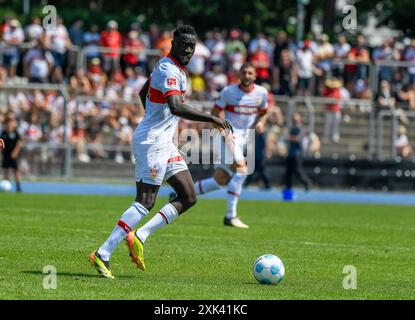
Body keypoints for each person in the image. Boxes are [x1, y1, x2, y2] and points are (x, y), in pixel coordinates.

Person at [89, 25, 233, 279]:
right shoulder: (168, 68)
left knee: (188, 195)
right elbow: (176, 106)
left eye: (192, 46)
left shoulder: (175, 69)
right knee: (145, 201)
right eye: (183, 44)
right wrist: (212, 119)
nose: (188, 49)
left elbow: (143, 92)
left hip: (162, 142)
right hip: (153, 143)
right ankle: (103, 253)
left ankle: (140, 236)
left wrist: (155, 119)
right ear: (173, 43)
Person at [178, 63, 269, 229]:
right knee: (242, 170)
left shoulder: (261, 93)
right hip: (229, 136)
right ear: (239, 74)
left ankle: (180, 194)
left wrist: (261, 122)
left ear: (255, 76)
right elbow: (215, 114)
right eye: (244, 72)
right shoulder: (229, 92)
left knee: (218, 180)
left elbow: (264, 112)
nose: (247, 75)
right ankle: (230, 216)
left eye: (250, 73)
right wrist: (224, 132)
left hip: (244, 138)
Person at [284, 112, 312, 193]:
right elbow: (287, 138)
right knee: (288, 172)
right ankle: (288, 187)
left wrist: (289, 137)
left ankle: (307, 183)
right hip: (290, 153)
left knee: (298, 171)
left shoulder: (302, 129)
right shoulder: (291, 129)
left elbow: (298, 139)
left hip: (298, 154)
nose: (295, 119)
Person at [0, 118, 23, 192]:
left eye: (11, 123)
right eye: (8, 123)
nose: (9, 125)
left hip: (13, 155)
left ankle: (18, 187)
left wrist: (15, 152)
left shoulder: (15, 133)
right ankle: (6, 185)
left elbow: (20, 143)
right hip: (5, 155)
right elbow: (0, 142)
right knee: (6, 170)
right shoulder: (3, 133)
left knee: (16, 170)